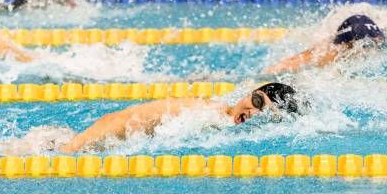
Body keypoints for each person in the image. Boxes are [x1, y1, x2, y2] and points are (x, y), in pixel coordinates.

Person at [59, 82, 304, 153]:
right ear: (250, 92)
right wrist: (70, 150)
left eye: (264, 113)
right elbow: (123, 119)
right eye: (257, 101)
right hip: (81, 146)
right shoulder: (203, 113)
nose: (252, 113)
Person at [264, 14, 387, 74]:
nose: (369, 51)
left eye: (374, 45)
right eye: (363, 46)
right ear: (347, 45)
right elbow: (282, 67)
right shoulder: (329, 51)